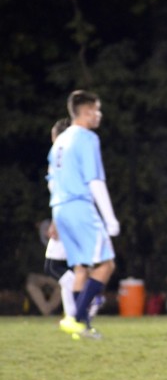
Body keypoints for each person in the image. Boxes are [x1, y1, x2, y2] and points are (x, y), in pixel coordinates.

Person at [48, 90, 120, 340]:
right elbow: (95, 181)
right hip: (79, 206)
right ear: (86, 112)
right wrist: (109, 218)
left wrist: (56, 219)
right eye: (96, 110)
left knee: (81, 268)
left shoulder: (59, 141)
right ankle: (76, 317)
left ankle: (82, 326)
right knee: (106, 264)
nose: (98, 115)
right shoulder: (87, 138)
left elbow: (52, 182)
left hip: (61, 208)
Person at [43, 118, 104, 321]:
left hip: (68, 216)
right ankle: (73, 315)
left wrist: (56, 222)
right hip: (76, 215)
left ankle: (89, 296)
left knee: (54, 266)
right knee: (69, 268)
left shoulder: (62, 161)